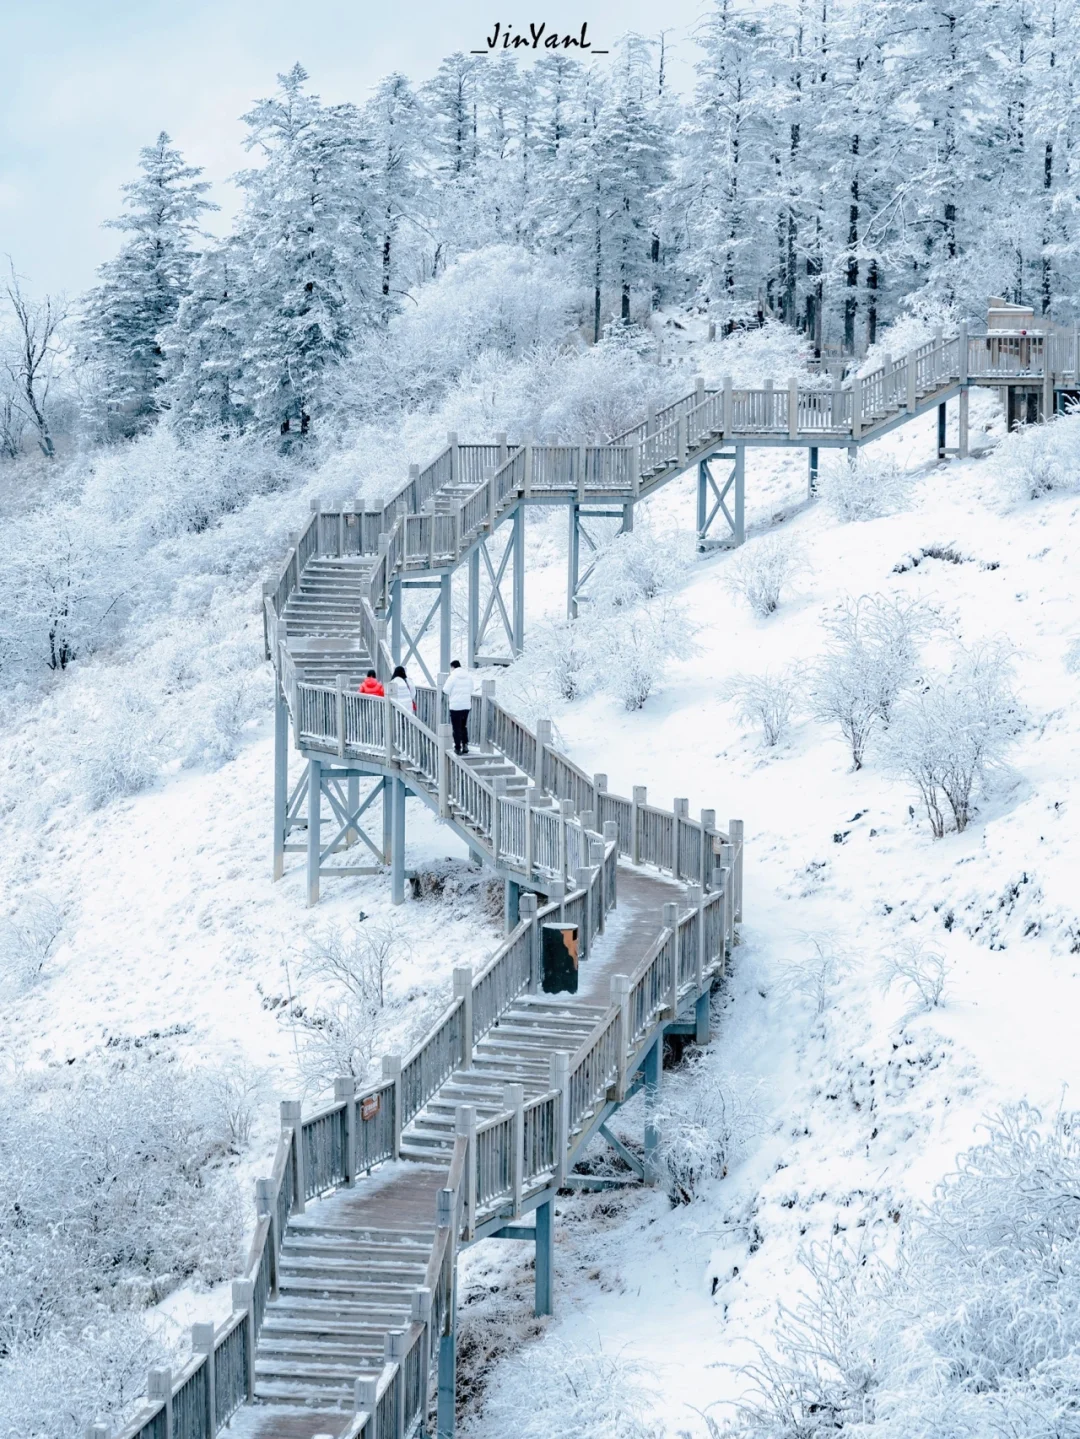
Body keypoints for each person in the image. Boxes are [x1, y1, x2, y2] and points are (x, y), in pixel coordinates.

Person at [444, 659, 475, 754]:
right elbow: (471, 689)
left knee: (456, 727)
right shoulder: (468, 676)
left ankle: (457, 747)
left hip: (455, 706)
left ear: (453, 667)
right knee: (463, 726)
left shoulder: (452, 677)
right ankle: (465, 745)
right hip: (466, 706)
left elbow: (445, 690)